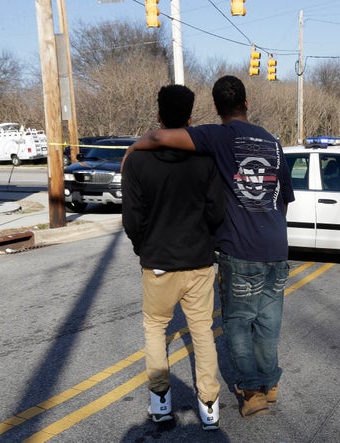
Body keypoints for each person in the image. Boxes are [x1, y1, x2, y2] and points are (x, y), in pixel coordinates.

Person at [127, 75, 295, 418]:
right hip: (272, 247)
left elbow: (157, 140)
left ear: (216, 109)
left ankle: (248, 392)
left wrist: (130, 151)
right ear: (247, 103)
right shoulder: (273, 143)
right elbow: (281, 200)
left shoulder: (216, 137)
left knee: (235, 324)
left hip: (232, 250)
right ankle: (253, 390)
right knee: (266, 323)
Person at [121, 85, 225, 430]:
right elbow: (216, 211)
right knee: (202, 332)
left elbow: (132, 218)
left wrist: (143, 247)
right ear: (191, 117)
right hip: (198, 259)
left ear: (159, 114)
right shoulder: (204, 158)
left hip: (159, 262)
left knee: (155, 329)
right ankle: (209, 406)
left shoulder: (136, 160)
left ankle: (161, 404)